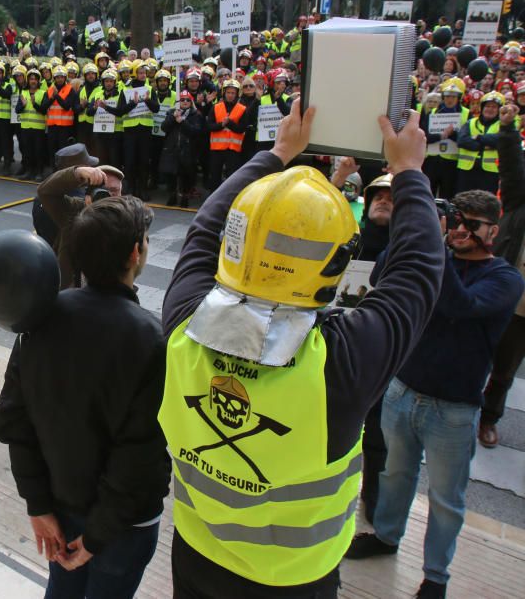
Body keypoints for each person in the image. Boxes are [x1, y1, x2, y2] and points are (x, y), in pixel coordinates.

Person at [159, 103, 445, 598]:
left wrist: (279, 153)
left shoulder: (184, 323)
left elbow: (205, 228)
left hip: (197, 553)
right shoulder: (338, 366)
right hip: (293, 579)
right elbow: (417, 274)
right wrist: (408, 172)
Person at [346, 188, 523, 599]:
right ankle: (387, 537)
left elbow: (459, 306)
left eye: (470, 224)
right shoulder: (436, 255)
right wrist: (415, 234)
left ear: (493, 231)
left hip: (454, 410)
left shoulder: (505, 279)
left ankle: (436, 576)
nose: (459, 230)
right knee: (394, 476)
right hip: (403, 390)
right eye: (454, 220)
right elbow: (381, 275)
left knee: (446, 499)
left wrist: (436, 248)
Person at [0, 195, 169, 599]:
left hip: (60, 507)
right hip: (123, 526)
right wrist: (96, 539)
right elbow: (139, 457)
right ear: (135, 252)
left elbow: (14, 422)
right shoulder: (150, 339)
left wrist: (38, 505)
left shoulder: (40, 319)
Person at [480, 103, 525, 447]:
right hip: (503, 292)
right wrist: (508, 131)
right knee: (475, 349)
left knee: (505, 369)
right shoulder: (519, 199)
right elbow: (511, 169)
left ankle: (488, 418)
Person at [37, 144, 125, 289]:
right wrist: (77, 172)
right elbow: (45, 192)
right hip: (74, 297)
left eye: (115, 192)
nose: (110, 198)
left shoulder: (126, 221)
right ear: (88, 197)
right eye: (104, 192)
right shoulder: (75, 213)